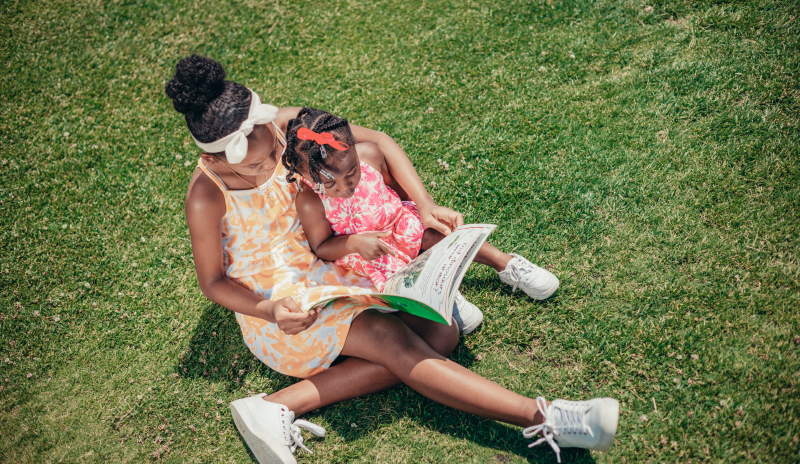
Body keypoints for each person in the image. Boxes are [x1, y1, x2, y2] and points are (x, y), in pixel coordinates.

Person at [166, 54, 619, 464]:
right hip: (281, 303)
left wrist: (422, 206)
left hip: (337, 265)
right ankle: (547, 418)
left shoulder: (290, 127)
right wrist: (269, 310)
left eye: (271, 150)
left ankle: (279, 404)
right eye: (252, 165)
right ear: (215, 154)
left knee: (443, 335)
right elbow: (213, 283)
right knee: (392, 341)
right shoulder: (206, 195)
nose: (268, 165)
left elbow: (377, 142)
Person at [282, 107, 560, 334]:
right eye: (332, 184)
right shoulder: (309, 201)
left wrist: (424, 207)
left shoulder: (369, 156)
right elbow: (322, 247)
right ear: (305, 175)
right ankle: (443, 296)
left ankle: (506, 263)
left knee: (437, 234)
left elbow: (396, 190)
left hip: (398, 222)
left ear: (355, 151)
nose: (346, 187)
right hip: (369, 254)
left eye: (352, 172)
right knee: (400, 281)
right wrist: (354, 243)